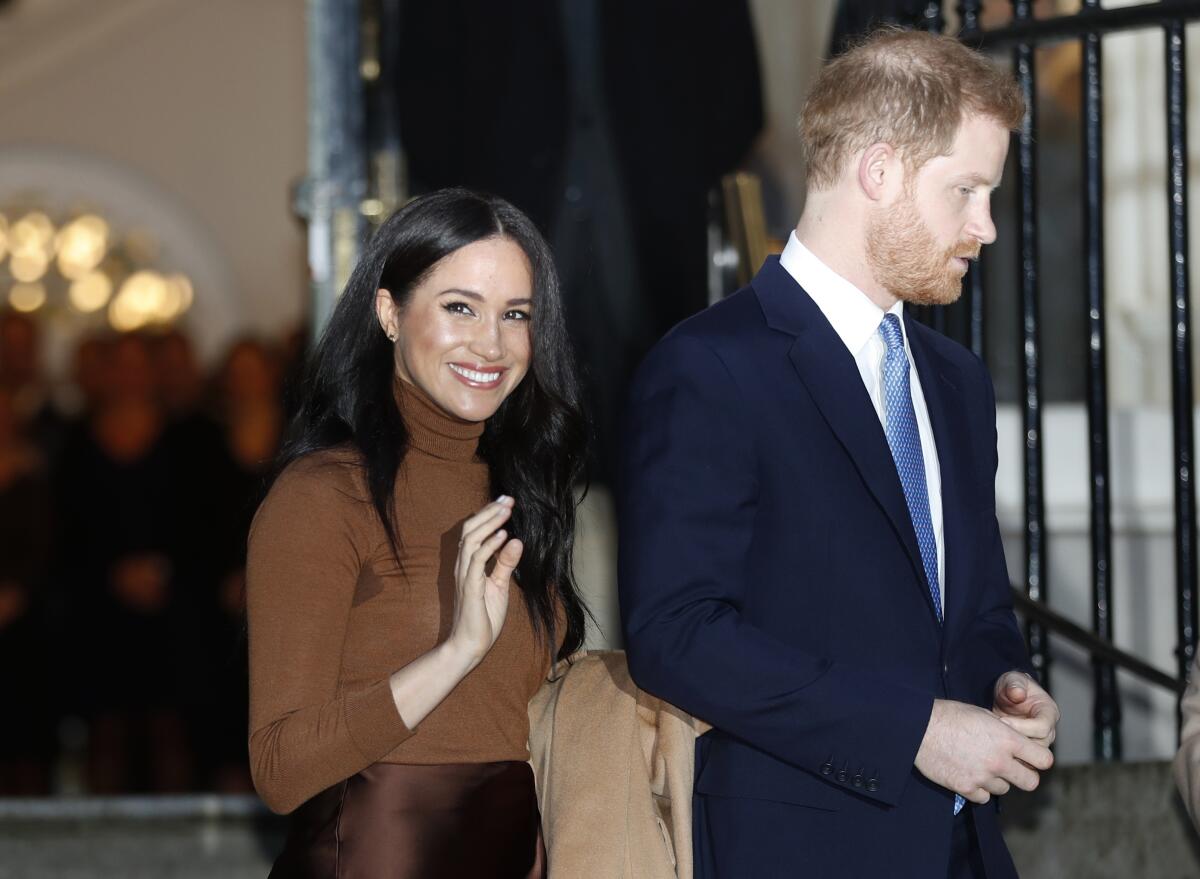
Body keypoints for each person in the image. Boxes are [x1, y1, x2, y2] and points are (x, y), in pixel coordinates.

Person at [619, 29, 1061, 878]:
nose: (988, 227)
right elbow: (676, 634)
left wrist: (1005, 683)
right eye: (966, 190)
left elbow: (972, 613)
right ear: (880, 171)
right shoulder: (709, 365)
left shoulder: (955, 380)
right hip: (796, 850)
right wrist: (916, 730)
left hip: (965, 851)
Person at [246, 188, 589, 877]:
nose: (490, 342)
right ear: (389, 313)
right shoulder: (323, 497)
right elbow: (281, 770)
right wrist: (458, 648)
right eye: (459, 306)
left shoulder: (520, 494)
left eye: (515, 314)